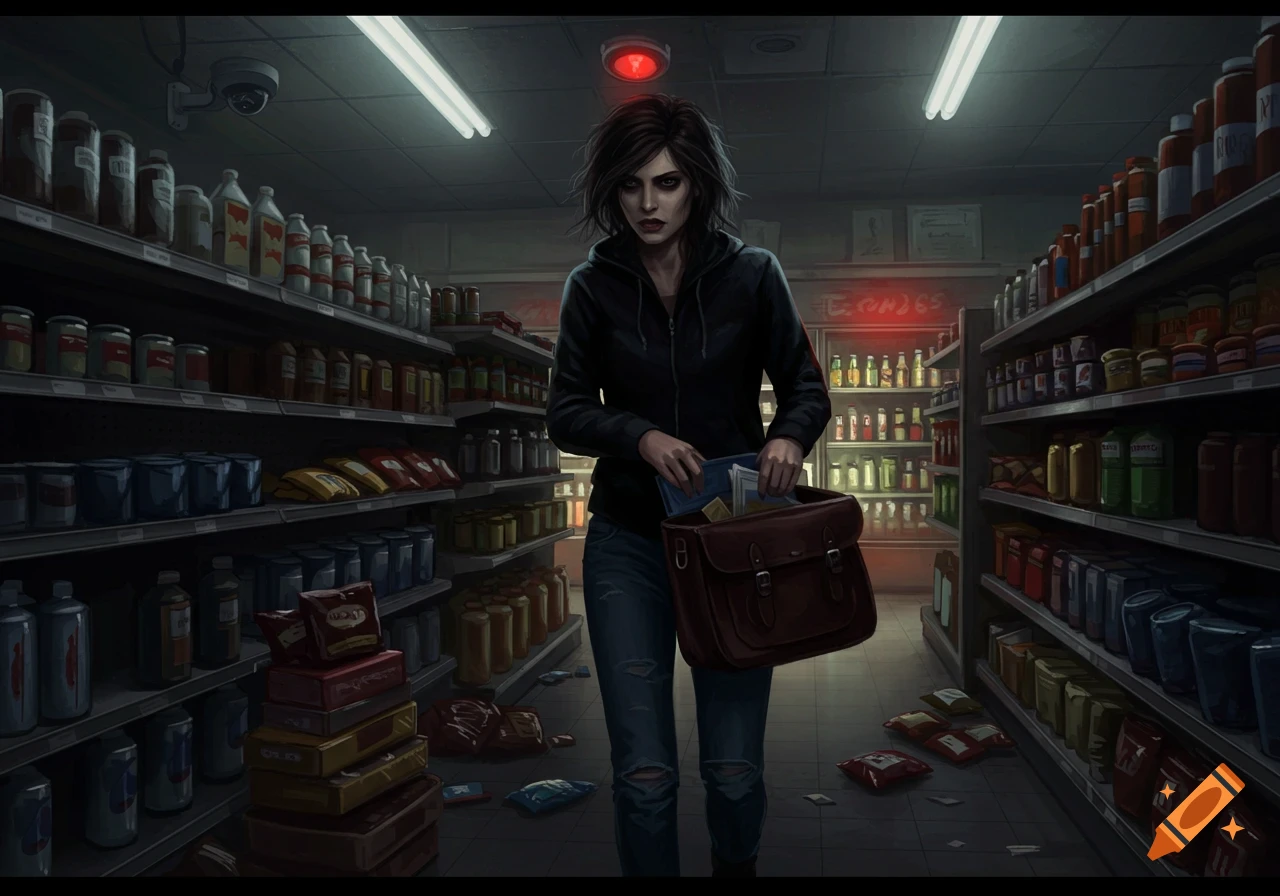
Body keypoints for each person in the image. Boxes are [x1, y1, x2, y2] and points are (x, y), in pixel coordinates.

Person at [545, 94, 831, 878]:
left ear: (696, 186)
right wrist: (637, 434)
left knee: (734, 773)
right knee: (643, 776)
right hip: (627, 545)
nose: (647, 204)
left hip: (731, 540)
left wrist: (788, 436)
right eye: (632, 185)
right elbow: (564, 411)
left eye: (666, 184)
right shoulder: (592, 287)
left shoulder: (753, 275)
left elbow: (807, 388)